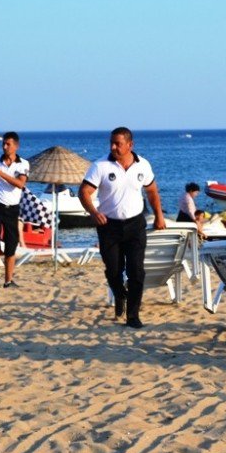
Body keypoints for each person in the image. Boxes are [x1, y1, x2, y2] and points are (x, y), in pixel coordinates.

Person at [79, 127, 167, 329]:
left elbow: (152, 191)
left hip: (135, 224)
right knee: (113, 271)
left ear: (130, 145)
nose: (113, 147)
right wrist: (93, 213)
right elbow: (84, 192)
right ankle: (120, 295)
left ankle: (133, 316)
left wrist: (159, 216)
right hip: (108, 226)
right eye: (111, 142)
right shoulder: (100, 165)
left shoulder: (142, 165)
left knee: (136, 271)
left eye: (117, 143)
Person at [0, 132, 29, 289]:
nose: (4, 146)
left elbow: (20, 184)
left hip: (12, 208)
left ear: (16, 146)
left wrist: (1, 174)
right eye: (3, 144)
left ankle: (8, 280)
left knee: (11, 244)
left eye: (8, 144)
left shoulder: (23, 164)